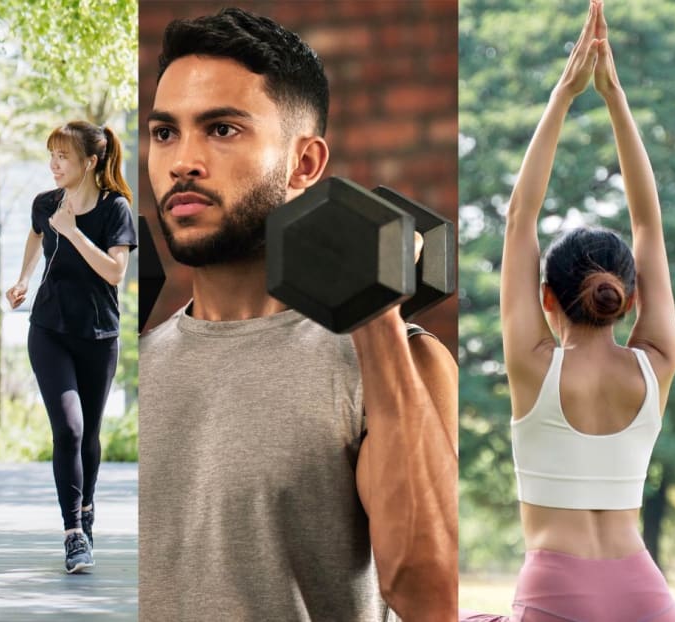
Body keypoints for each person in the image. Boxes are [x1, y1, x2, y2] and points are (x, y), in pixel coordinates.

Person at [139, 8, 458, 620]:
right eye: (165, 133)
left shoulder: (395, 358)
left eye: (223, 129)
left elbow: (428, 595)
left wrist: (375, 311)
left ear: (305, 164)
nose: (183, 161)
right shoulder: (137, 365)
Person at [460, 2, 675, 621]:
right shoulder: (656, 365)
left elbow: (520, 218)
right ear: (629, 299)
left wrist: (566, 91)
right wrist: (616, 97)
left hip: (558, 594)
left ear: (546, 297)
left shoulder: (534, 366)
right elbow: (648, 223)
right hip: (647, 595)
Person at [6, 121, 136, 574]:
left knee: (91, 435)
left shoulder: (116, 208)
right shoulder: (45, 204)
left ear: (90, 162)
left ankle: (87, 510)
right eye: (52, 155)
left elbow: (115, 273)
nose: (54, 164)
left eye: (63, 156)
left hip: (99, 335)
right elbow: (37, 234)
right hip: (49, 329)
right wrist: (23, 277)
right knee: (70, 430)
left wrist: (74, 231)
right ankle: (73, 533)